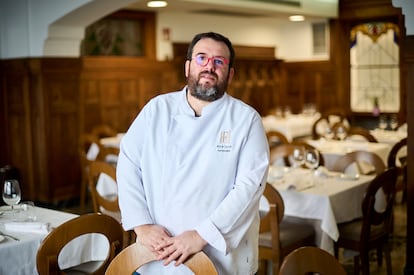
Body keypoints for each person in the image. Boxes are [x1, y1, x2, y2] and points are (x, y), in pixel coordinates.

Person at [117, 31, 269, 274]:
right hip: (155, 251)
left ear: (229, 74)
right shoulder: (157, 110)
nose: (210, 66)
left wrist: (202, 234)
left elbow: (249, 187)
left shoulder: (246, 120)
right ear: (188, 67)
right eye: (202, 58)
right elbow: (128, 164)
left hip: (217, 256)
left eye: (219, 61)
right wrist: (142, 225)